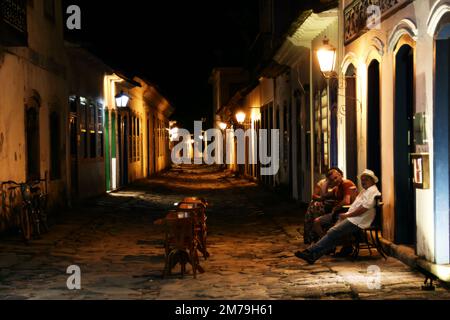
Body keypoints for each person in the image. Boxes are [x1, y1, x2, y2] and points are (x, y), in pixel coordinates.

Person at [295, 169, 381, 265]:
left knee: (332, 232)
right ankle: (312, 255)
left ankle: (310, 251)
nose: (363, 182)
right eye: (362, 180)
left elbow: (363, 209)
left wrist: (347, 215)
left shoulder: (372, 191)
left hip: (357, 220)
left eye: (365, 180)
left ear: (372, 180)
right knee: (332, 233)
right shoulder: (365, 191)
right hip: (352, 218)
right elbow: (324, 196)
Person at [312, 168, 357, 241]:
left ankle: (329, 243)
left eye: (336, 178)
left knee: (333, 229)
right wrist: (327, 183)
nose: (335, 180)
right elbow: (324, 196)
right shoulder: (336, 188)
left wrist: (336, 208)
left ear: (340, 175)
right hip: (337, 213)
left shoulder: (347, 183)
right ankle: (326, 243)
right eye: (332, 180)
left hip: (345, 213)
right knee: (316, 222)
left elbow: (346, 201)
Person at [303, 169, 341, 244]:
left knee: (316, 209)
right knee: (315, 207)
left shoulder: (340, 183)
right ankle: (314, 235)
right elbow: (314, 195)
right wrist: (320, 199)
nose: (333, 179)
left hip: (333, 205)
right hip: (323, 203)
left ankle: (320, 236)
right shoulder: (322, 182)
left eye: (335, 177)